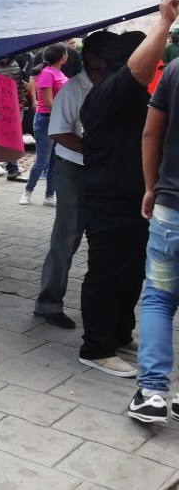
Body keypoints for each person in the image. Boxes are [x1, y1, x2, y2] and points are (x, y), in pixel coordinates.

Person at [79, 0, 179, 378]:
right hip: (108, 200)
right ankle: (96, 347)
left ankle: (120, 333)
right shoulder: (110, 91)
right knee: (106, 274)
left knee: (130, 271)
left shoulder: (128, 94)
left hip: (133, 199)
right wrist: (164, 22)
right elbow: (138, 70)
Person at [33, 31, 117, 330]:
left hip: (106, 171)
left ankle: (98, 306)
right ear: (92, 57)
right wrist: (95, 152)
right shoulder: (73, 90)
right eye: (111, 53)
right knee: (66, 237)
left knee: (105, 240)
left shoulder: (114, 85)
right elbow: (58, 132)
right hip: (74, 170)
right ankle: (48, 304)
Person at [128, 47, 179, 423]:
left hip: (171, 206)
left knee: (159, 299)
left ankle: (151, 393)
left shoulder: (174, 70)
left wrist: (151, 187)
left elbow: (150, 132)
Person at [20, 42, 69, 206]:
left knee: (55, 160)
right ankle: (27, 191)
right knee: (42, 160)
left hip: (57, 120)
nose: (67, 55)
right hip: (46, 119)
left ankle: (49, 195)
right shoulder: (47, 73)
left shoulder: (59, 73)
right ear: (62, 56)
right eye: (66, 52)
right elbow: (48, 102)